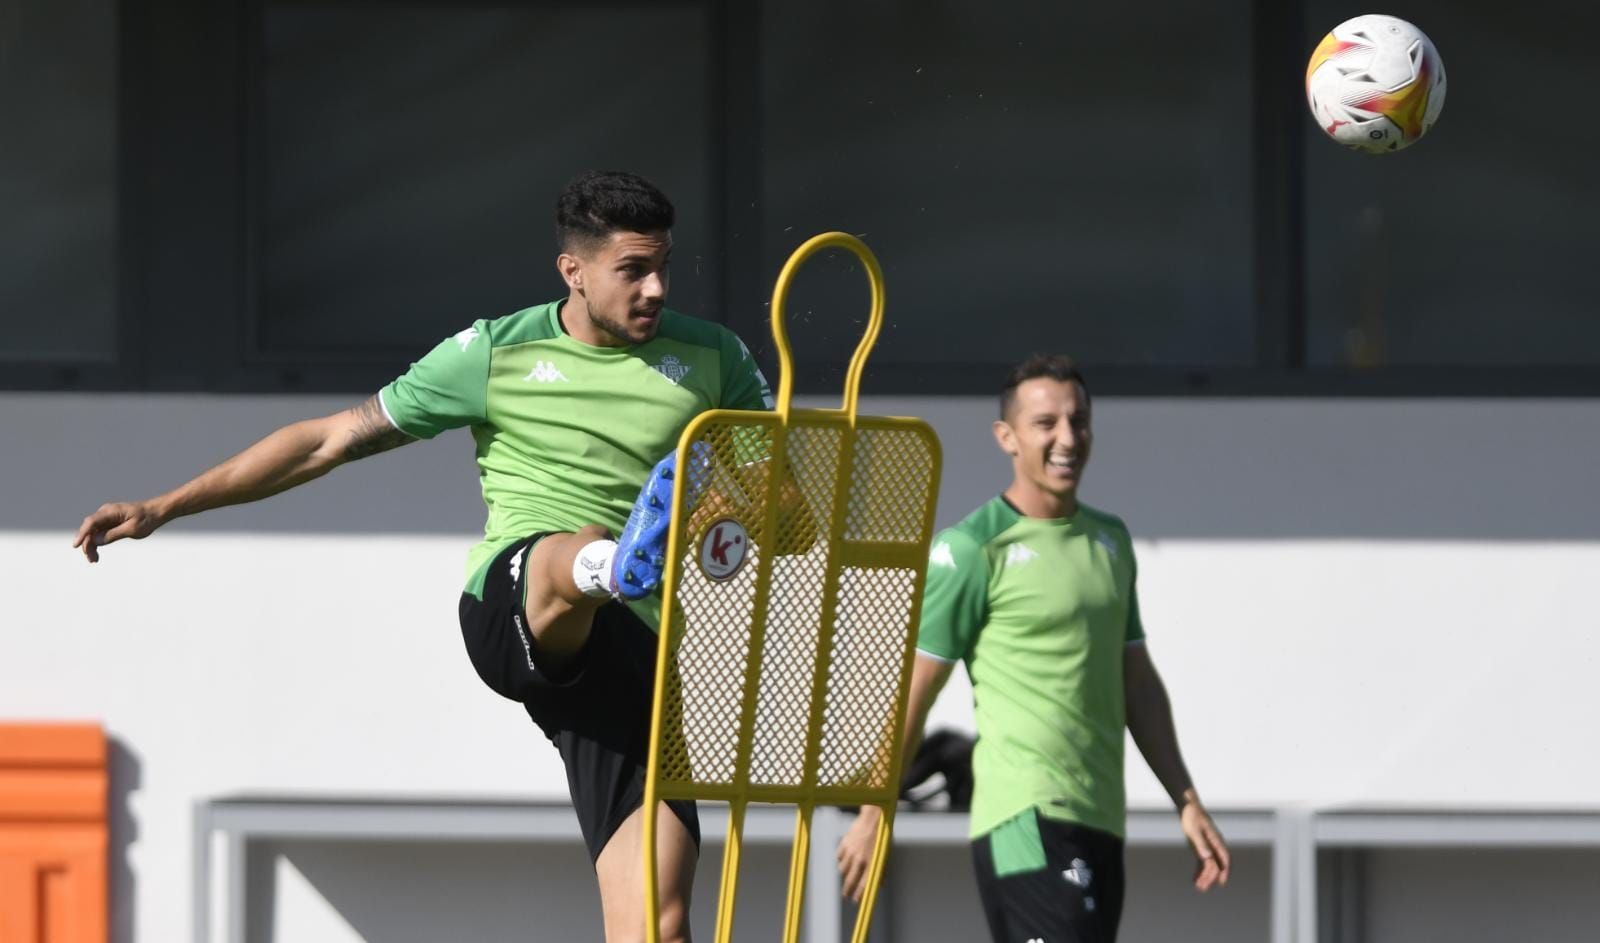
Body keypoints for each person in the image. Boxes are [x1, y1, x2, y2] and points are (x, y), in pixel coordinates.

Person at [72, 170, 775, 943]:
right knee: (575, 548)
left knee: (659, 920)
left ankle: (619, 566)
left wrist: (735, 514)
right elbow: (327, 440)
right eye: (633, 270)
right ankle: (609, 561)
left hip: (636, 646)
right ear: (573, 270)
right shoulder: (494, 352)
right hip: (517, 601)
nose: (656, 288)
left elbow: (782, 508)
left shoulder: (715, 357)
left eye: (664, 266)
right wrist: (164, 506)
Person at [836, 353, 1230, 942]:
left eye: (1079, 421)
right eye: (1046, 423)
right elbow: (915, 690)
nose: (1067, 438)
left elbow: (1138, 684)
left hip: (1101, 819)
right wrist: (875, 812)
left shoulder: (1111, 542)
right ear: (1007, 437)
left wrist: (1187, 800)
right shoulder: (973, 549)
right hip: (1022, 817)